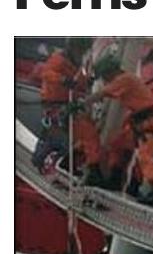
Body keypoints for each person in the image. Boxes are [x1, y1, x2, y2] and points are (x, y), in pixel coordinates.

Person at [85, 53, 153, 205]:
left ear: (110, 71)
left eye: (104, 76)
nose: (104, 80)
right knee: (117, 145)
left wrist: (82, 103)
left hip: (149, 123)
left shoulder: (124, 79)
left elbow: (103, 93)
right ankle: (115, 179)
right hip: (140, 123)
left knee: (146, 156)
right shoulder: (127, 79)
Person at [36, 37, 103, 183]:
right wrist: (63, 79)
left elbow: (78, 82)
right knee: (61, 138)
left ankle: (77, 164)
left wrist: (86, 82)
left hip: (67, 104)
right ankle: (46, 161)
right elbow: (46, 73)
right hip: (55, 104)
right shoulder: (59, 59)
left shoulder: (76, 64)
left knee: (84, 134)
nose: (82, 54)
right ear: (73, 47)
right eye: (81, 50)